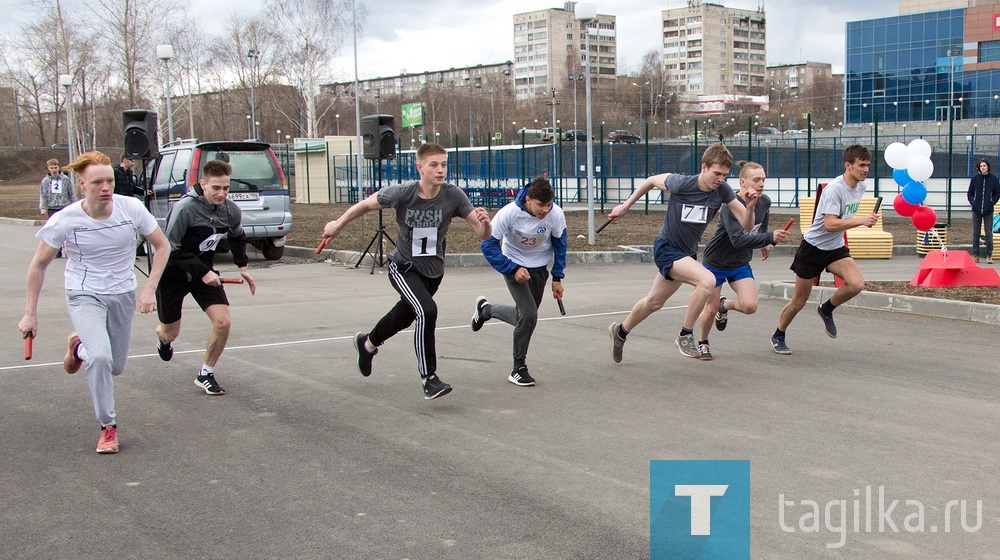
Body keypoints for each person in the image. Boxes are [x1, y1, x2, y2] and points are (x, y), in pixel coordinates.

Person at [18, 151, 170, 454]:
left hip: (122, 292)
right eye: (97, 182)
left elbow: (163, 246)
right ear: (82, 184)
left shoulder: (131, 209)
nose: (106, 187)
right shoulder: (65, 219)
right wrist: (29, 315)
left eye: (109, 180)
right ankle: (108, 427)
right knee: (100, 359)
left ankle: (78, 347)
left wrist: (149, 288)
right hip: (83, 293)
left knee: (115, 366)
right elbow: (38, 265)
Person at [321, 143, 492, 399]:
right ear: (420, 167)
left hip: (433, 272)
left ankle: (367, 344)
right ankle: (429, 378)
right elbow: (365, 206)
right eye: (434, 164)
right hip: (403, 267)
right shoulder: (402, 193)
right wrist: (338, 223)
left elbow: (481, 233)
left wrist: (486, 225)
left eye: (444, 164)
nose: (440, 170)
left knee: (404, 316)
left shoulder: (453, 195)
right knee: (426, 311)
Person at [607, 143, 758, 362]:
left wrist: (751, 206)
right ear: (704, 167)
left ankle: (620, 332)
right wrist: (626, 206)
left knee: (654, 303)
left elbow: (747, 225)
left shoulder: (722, 190)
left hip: (686, 254)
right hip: (667, 248)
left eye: (725, 175)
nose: (720, 179)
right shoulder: (681, 183)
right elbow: (650, 181)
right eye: (716, 173)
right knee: (707, 280)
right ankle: (685, 335)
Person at [154, 159, 257, 396]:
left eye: (226, 188)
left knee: (223, 322)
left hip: (204, 273)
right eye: (216, 188)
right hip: (174, 273)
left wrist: (242, 266)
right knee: (170, 331)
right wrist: (203, 271)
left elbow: (238, 236)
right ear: (203, 184)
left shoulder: (231, 210)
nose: (221, 194)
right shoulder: (185, 209)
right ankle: (163, 338)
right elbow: (171, 249)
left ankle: (206, 373)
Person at [769, 144, 878, 355]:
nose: (865, 169)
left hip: (835, 247)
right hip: (813, 248)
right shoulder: (834, 189)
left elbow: (842, 221)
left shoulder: (861, 187)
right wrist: (862, 220)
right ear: (848, 165)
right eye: (861, 165)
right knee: (799, 301)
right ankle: (778, 334)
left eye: (868, 165)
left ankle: (826, 309)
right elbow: (829, 224)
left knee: (856, 284)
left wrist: (865, 220)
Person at [471, 176, 567, 386]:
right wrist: (512, 269)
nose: (545, 210)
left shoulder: (555, 214)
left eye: (549, 204)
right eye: (541, 205)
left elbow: (560, 245)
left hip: (539, 269)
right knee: (529, 315)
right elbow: (488, 246)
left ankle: (485, 310)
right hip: (513, 266)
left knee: (523, 317)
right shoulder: (509, 213)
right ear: (528, 200)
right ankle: (518, 368)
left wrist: (557, 277)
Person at [694, 161, 788, 360]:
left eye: (763, 179)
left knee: (750, 306)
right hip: (716, 263)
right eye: (756, 180)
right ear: (743, 182)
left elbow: (761, 226)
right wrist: (769, 237)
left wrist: (764, 242)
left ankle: (724, 305)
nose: (761, 183)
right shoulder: (731, 206)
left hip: (740, 262)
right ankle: (703, 342)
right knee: (709, 309)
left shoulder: (764, 202)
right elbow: (737, 240)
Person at [39, 158, 76, 258]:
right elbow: (43, 195)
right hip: (52, 207)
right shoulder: (46, 181)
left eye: (55, 167)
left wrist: (74, 206)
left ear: (58, 167)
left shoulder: (65, 179)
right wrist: (43, 208)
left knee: (67, 230)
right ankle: (56, 251)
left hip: (64, 207)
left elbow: (71, 193)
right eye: (52, 168)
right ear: (48, 169)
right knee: (55, 230)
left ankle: (69, 250)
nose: (54, 170)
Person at [967, 158, 1000, 264]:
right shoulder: (975, 179)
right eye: (981, 166)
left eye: (984, 166)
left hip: (988, 211)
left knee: (988, 233)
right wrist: (973, 202)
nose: (983, 168)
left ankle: (989, 255)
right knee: (975, 233)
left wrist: (991, 202)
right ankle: (975, 255)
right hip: (976, 210)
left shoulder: (994, 180)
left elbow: (997, 193)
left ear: (988, 167)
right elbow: (970, 193)